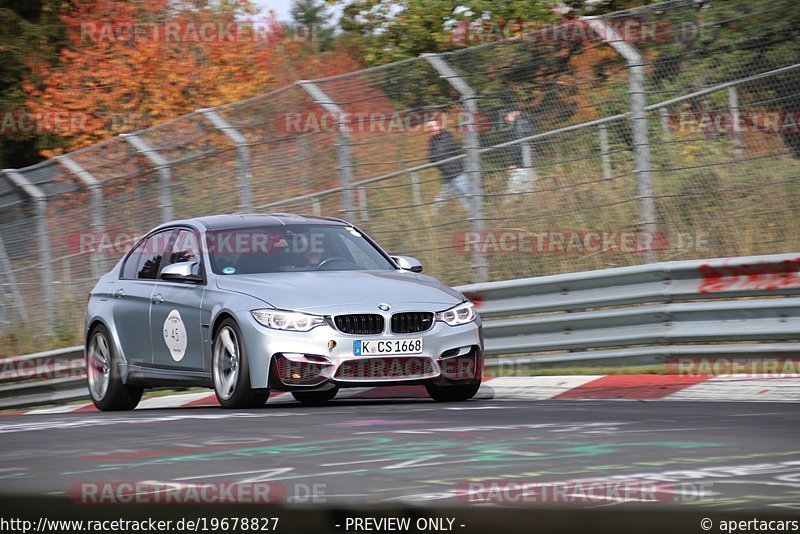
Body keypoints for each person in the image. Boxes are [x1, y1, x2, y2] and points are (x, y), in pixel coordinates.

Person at [425, 117, 471, 215]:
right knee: (442, 199)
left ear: (439, 125)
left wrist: (436, 156)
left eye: (433, 126)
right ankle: (432, 216)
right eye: (429, 127)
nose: (431, 129)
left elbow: (439, 153)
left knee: (467, 197)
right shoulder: (432, 140)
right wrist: (436, 156)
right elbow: (430, 158)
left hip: (458, 174)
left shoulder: (447, 136)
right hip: (447, 176)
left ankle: (474, 216)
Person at [502, 104, 535, 196]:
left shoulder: (520, 124)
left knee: (513, 193)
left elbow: (517, 145)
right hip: (526, 162)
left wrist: (513, 163)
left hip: (521, 164)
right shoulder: (524, 121)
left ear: (512, 113)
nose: (505, 119)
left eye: (506, 115)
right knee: (528, 191)